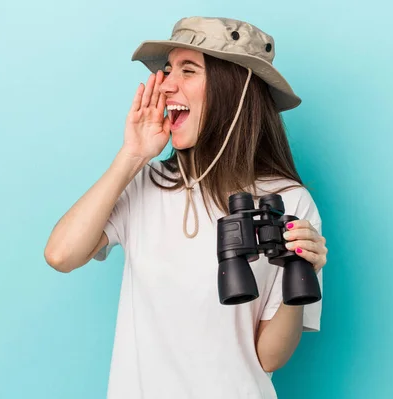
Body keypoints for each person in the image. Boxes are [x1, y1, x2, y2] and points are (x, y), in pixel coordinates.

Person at [44, 16, 328, 399]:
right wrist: (132, 156)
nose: (166, 85)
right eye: (167, 70)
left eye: (188, 70)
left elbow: (268, 357)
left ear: (233, 90)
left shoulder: (289, 201)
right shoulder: (147, 183)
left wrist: (301, 271)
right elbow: (61, 254)